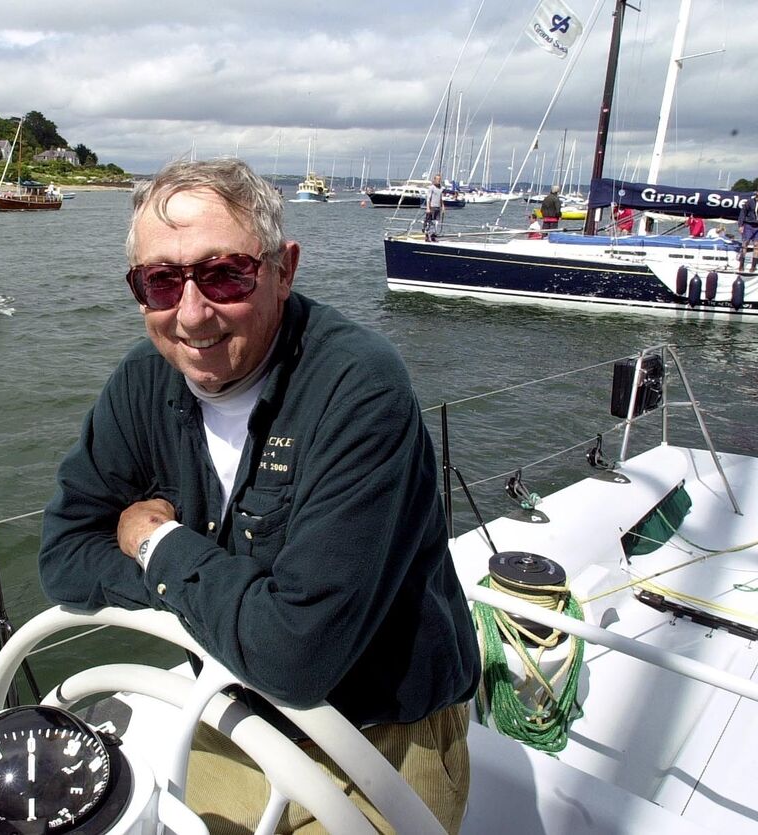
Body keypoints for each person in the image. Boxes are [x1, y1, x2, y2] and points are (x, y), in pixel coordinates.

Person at [38, 158, 480, 834]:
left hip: (385, 736)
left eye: (224, 274)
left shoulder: (359, 389)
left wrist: (155, 543)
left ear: (284, 268)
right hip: (233, 710)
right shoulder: (140, 384)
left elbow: (297, 654)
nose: (191, 313)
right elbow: (64, 556)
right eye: (161, 280)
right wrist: (237, 605)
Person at [736, 185, 758, 272]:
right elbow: (743, 213)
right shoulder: (750, 202)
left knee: (756, 245)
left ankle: (753, 266)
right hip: (749, 225)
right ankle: (741, 264)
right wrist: (740, 225)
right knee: (745, 243)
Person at [422, 173, 444, 241]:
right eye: (437, 179)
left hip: (438, 207)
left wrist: (442, 206)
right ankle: (427, 235)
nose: (438, 180)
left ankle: (433, 235)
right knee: (429, 221)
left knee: (436, 222)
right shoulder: (431, 188)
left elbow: (440, 198)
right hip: (432, 207)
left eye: (439, 179)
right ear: (434, 180)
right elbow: (428, 198)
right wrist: (428, 208)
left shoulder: (441, 188)